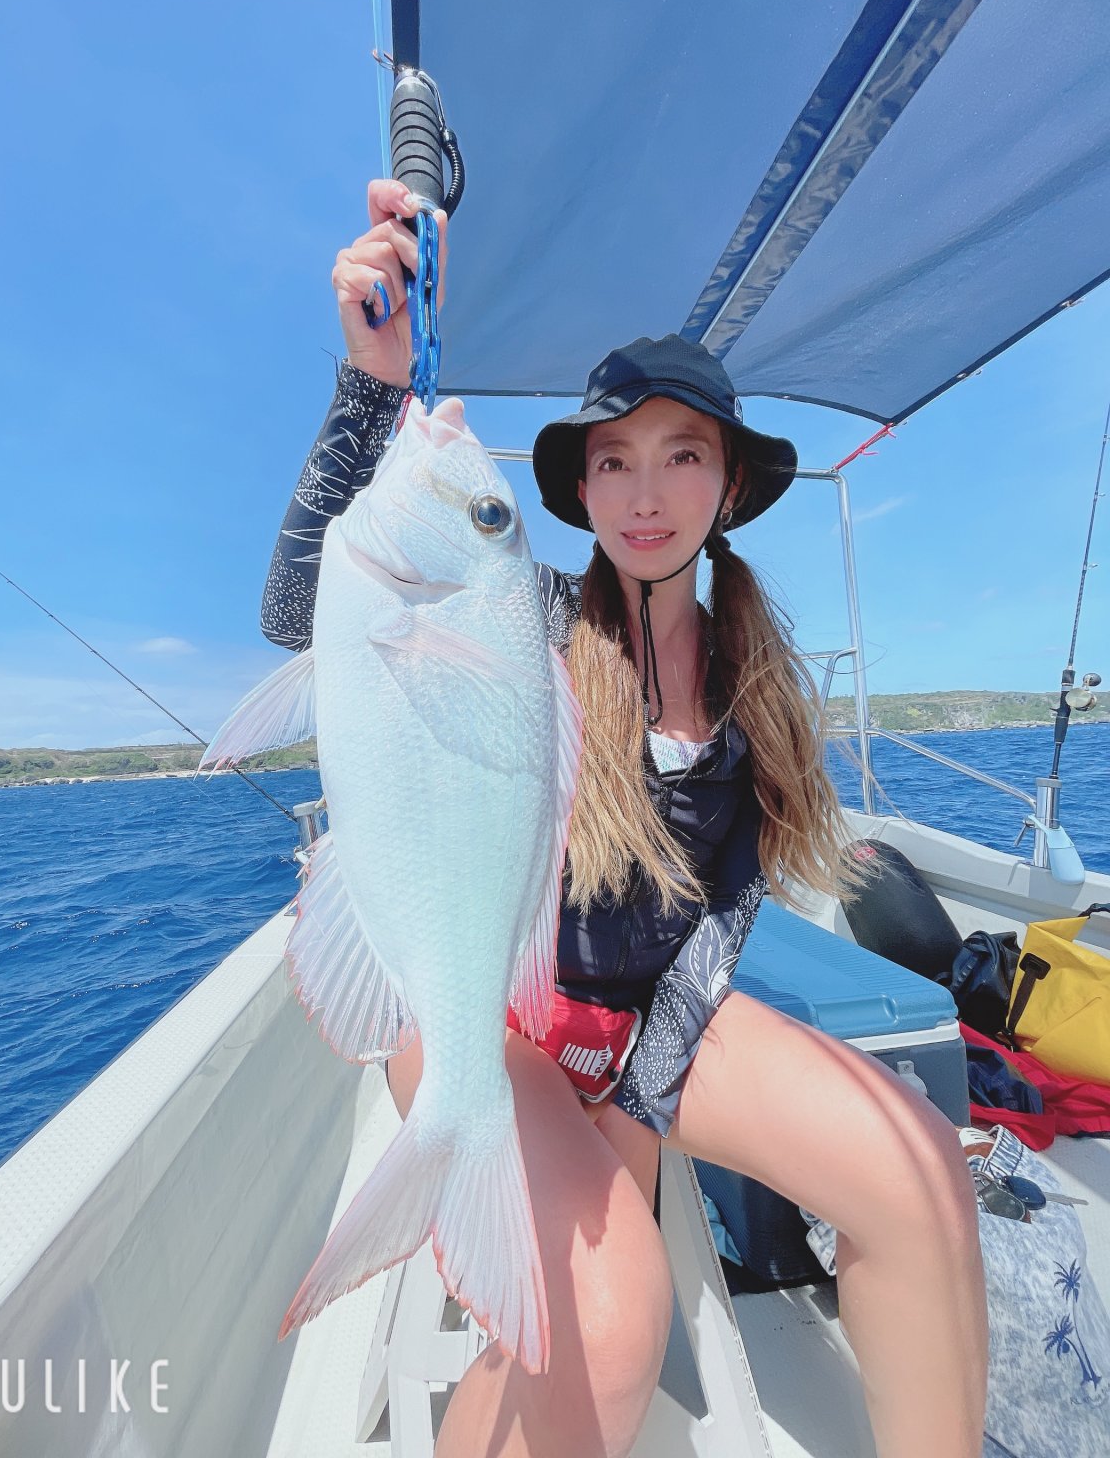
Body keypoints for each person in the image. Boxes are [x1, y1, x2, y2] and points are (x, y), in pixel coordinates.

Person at [260, 179, 989, 1458]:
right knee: (606, 1324)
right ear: (582, 492)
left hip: (652, 1020)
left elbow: (728, 907)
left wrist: (638, 1104)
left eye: (682, 455)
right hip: (487, 1013)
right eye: (614, 461)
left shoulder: (761, 681)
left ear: (728, 485)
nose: (646, 494)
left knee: (926, 1174)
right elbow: (295, 611)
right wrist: (373, 388)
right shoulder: (518, 618)